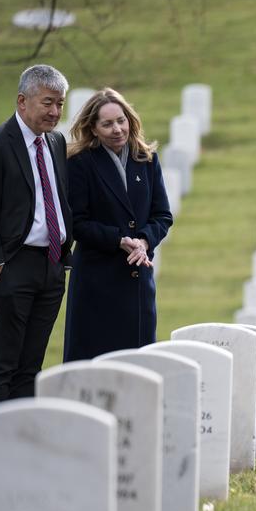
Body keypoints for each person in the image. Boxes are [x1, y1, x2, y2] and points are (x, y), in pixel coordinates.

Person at [0, 64, 73, 408]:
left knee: (31, 366)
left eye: (60, 103)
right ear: (22, 101)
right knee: (3, 363)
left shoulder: (55, 142)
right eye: (48, 103)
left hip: (51, 267)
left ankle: (21, 449)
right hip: (11, 267)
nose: (55, 112)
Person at [62, 89, 173, 361]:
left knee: (138, 366)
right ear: (93, 128)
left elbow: (162, 215)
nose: (117, 129)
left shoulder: (146, 159)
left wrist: (144, 241)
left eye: (121, 120)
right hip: (96, 283)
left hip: (136, 281)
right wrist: (119, 240)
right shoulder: (80, 163)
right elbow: (77, 222)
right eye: (107, 124)